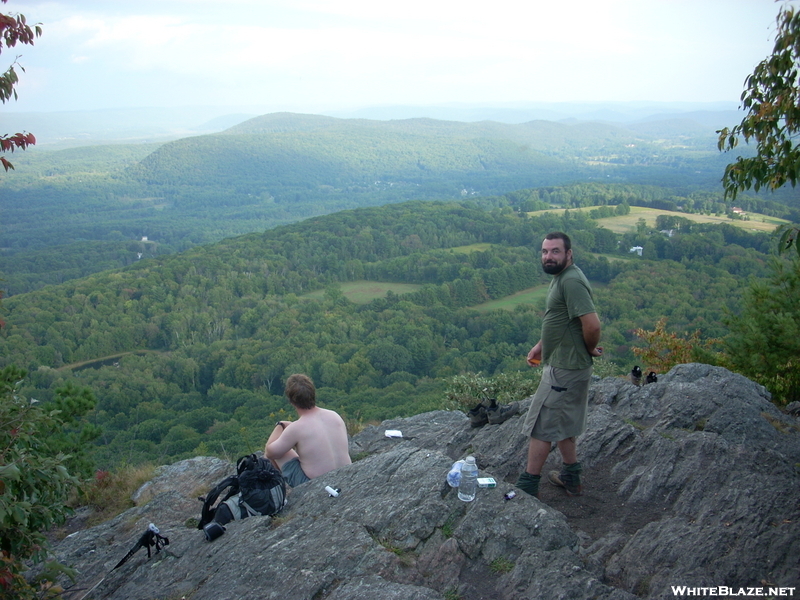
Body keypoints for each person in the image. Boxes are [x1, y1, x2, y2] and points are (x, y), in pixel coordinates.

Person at [515, 232, 602, 498]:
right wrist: (541, 346)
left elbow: (592, 324)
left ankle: (528, 485)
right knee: (565, 423)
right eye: (544, 251)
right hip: (564, 363)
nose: (548, 256)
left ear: (568, 254)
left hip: (566, 368)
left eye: (555, 251)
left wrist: (587, 348)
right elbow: (560, 318)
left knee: (541, 425)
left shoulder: (572, 281)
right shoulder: (561, 278)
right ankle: (571, 477)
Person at [265, 374, 352, 487]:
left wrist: (280, 425)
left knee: (279, 453)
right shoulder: (334, 416)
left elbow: (270, 452)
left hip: (317, 485)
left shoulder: (296, 428)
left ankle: (281, 488)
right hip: (348, 476)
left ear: (292, 401)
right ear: (313, 394)